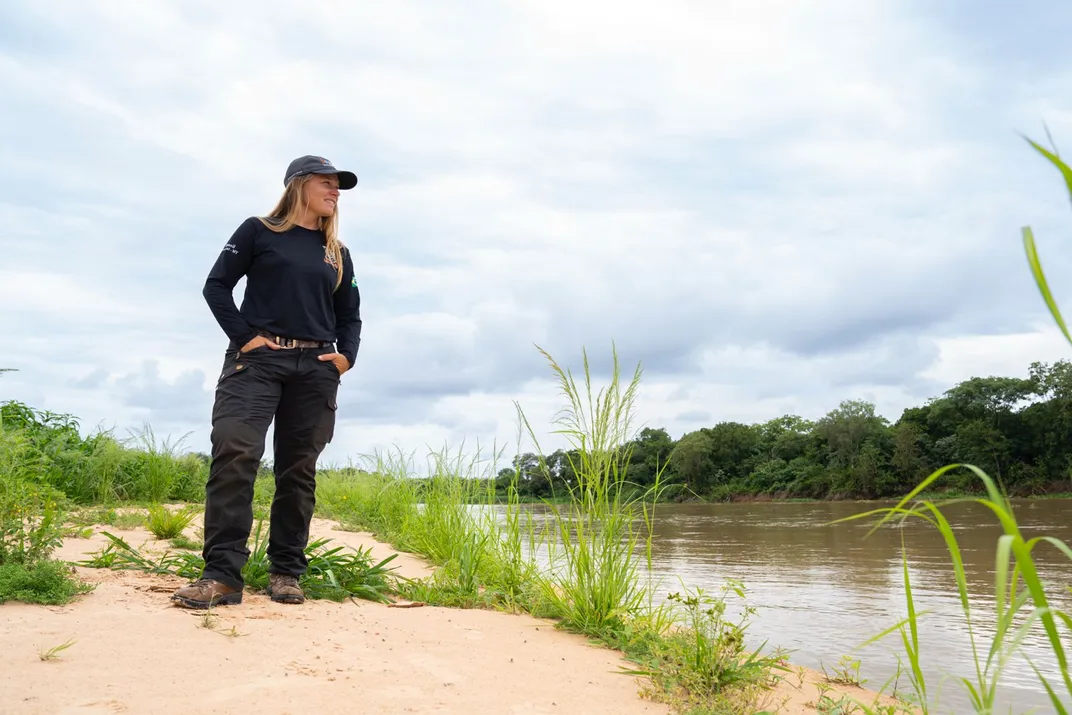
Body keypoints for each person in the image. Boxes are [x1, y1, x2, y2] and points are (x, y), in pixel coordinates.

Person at [171, 155, 362, 609]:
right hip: (255, 363)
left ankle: (286, 573)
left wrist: (345, 358)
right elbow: (216, 286)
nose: (335, 192)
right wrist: (245, 338)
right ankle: (221, 577)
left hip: (315, 368)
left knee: (298, 470)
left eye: (338, 186)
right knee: (236, 452)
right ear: (298, 185)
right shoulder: (258, 231)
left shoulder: (336, 253)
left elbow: (349, 313)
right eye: (326, 183)